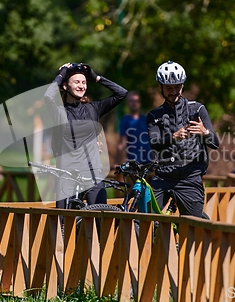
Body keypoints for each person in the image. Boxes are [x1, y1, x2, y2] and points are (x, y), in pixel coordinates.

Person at [44, 63, 127, 208]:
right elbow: (48, 97)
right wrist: (62, 74)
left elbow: (121, 93)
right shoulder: (59, 112)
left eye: (84, 82)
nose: (82, 86)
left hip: (93, 175)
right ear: (65, 86)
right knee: (64, 225)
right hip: (67, 176)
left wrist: (96, 78)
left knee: (103, 220)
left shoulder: (92, 109)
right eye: (76, 82)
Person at [147, 61, 219, 218]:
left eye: (177, 87)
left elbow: (215, 143)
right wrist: (174, 137)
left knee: (193, 226)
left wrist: (204, 132)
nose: (174, 92)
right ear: (160, 86)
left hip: (190, 177)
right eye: (169, 88)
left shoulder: (197, 109)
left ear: (183, 85)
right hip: (163, 176)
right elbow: (154, 144)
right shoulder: (154, 115)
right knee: (146, 218)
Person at [117, 91, 152, 164]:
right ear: (128, 103)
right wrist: (118, 163)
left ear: (140, 103)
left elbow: (153, 141)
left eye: (136, 101)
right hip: (134, 161)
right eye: (131, 101)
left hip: (149, 161)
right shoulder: (125, 120)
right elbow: (122, 143)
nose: (134, 103)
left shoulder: (146, 119)